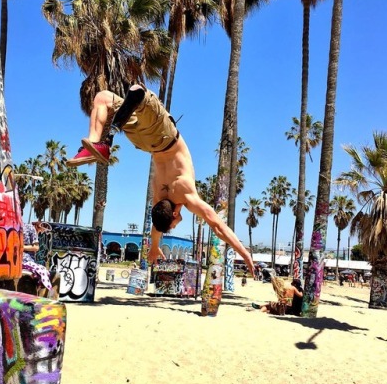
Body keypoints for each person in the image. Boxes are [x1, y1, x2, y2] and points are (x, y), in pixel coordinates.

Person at [67, 84, 255, 276]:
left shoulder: (186, 194)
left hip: (163, 135)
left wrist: (244, 253)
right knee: (103, 97)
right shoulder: (159, 197)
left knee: (134, 91)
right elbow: (158, 228)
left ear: (173, 215)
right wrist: (154, 247)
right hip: (144, 142)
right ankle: (96, 143)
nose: (176, 225)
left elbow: (218, 226)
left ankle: (98, 142)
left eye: (173, 225)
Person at [22, 222, 53, 296]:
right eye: (41, 230)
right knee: (43, 271)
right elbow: (36, 247)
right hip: (25, 259)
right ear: (39, 227)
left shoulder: (20, 225)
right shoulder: (31, 228)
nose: (41, 232)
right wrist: (21, 247)